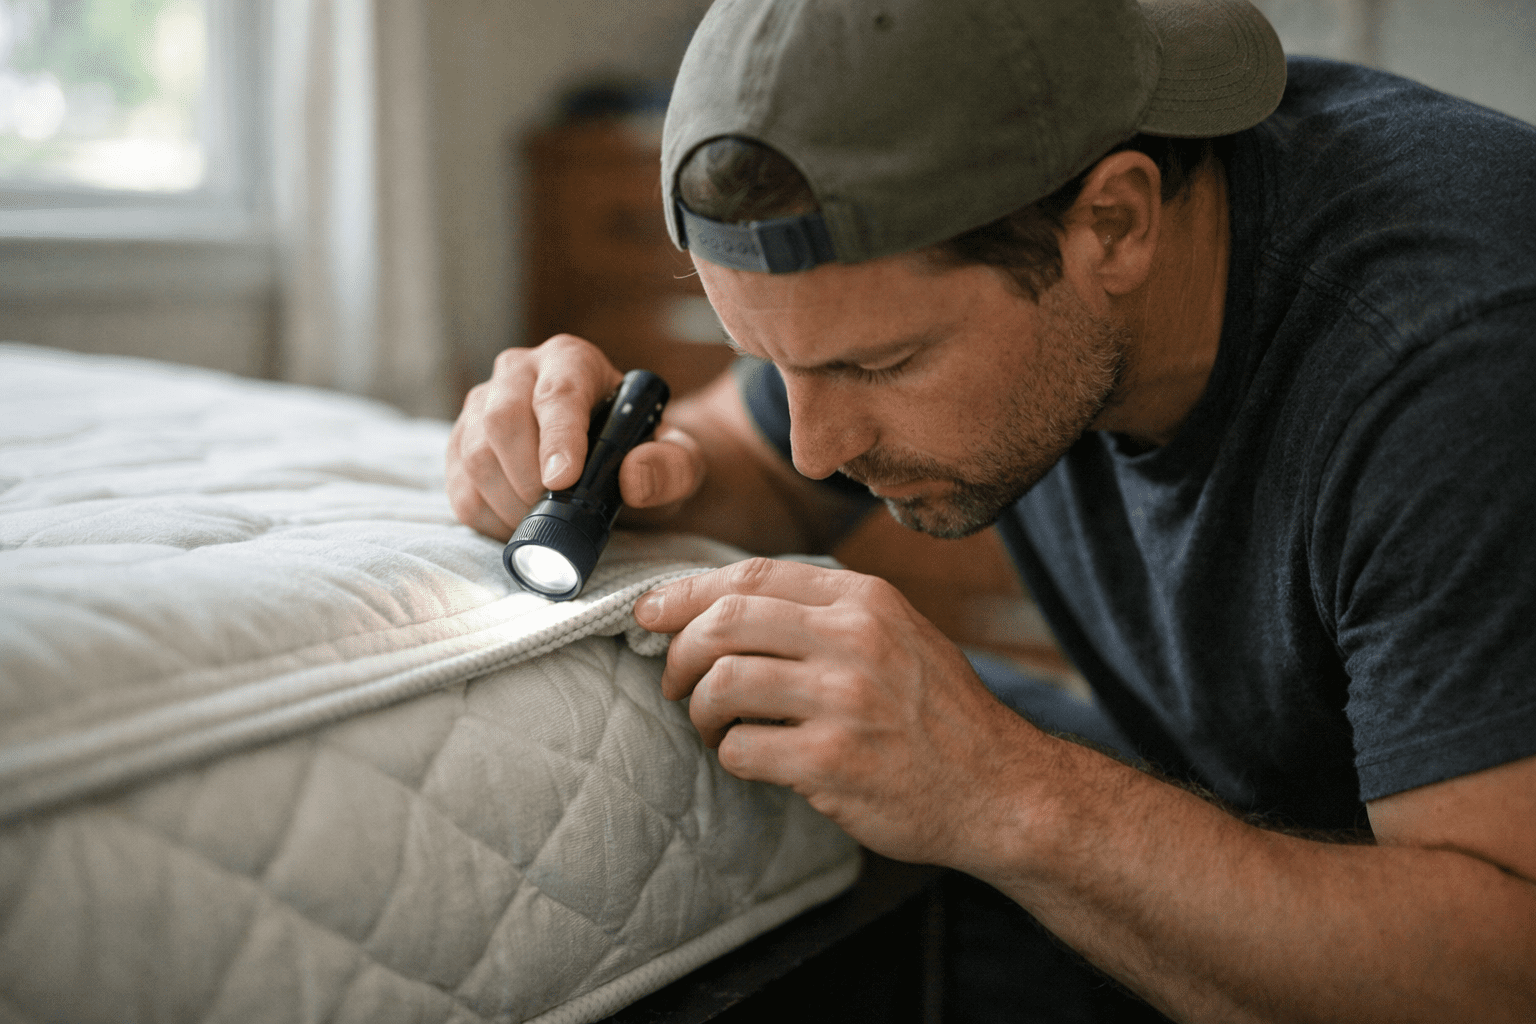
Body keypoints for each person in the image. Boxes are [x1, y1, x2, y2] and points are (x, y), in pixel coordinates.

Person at [447, 0, 1536, 1019]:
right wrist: (605, 465)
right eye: (777, 358)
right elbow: (756, 459)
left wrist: (999, 790)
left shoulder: (1452, 365)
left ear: (1113, 223)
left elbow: (1504, 967)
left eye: (879, 365)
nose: (820, 438)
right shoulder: (958, 216)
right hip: (1268, 810)